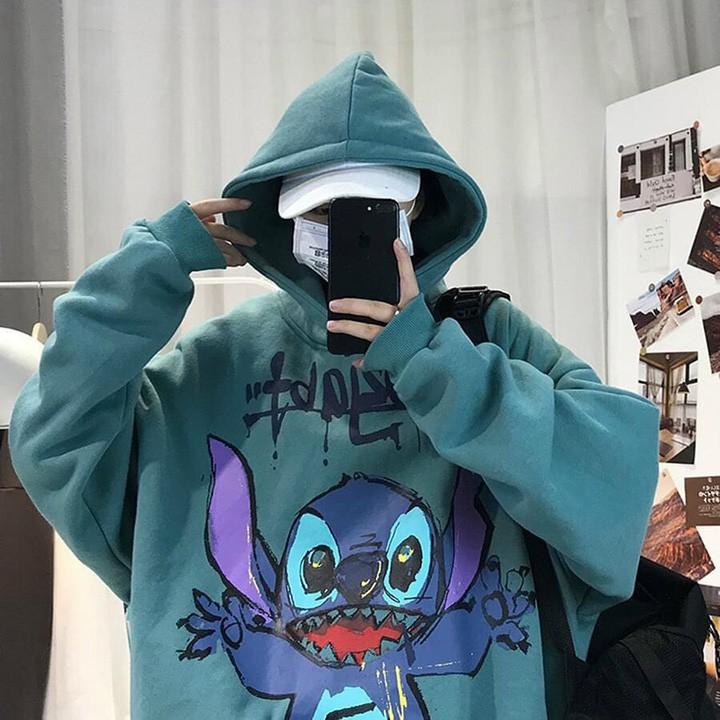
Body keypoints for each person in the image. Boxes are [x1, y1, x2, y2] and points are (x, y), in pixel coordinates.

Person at [9, 50, 659, 719]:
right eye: (322, 213)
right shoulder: (211, 367)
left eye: (376, 210)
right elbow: (54, 441)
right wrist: (148, 272)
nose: (348, 233)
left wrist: (434, 363)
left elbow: (614, 493)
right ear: (283, 220)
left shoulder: (482, 338)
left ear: (420, 211)